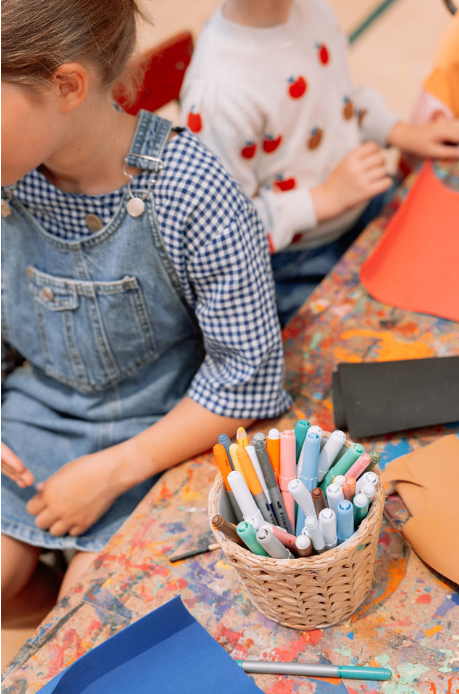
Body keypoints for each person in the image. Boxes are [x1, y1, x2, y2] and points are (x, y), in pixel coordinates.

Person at [1, 0, 292, 628]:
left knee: (88, 620)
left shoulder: (195, 191)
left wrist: (113, 470)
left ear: (69, 85)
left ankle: (64, 583)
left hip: (165, 427)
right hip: (34, 419)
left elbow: (250, 378)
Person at [180, 0, 459, 326]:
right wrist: (324, 198)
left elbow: (340, 101)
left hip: (361, 209)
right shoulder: (219, 94)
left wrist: (400, 132)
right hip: (294, 261)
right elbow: (220, 227)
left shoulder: (314, 11)